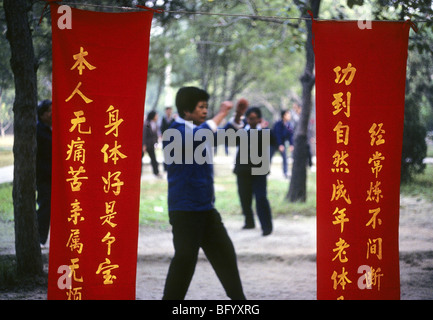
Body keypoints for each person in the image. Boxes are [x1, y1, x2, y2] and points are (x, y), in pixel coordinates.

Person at [162, 86, 246, 300]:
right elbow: (201, 135)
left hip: (206, 210)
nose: (205, 111)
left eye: (207, 107)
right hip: (184, 211)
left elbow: (226, 135)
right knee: (185, 261)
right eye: (201, 107)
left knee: (225, 255)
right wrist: (222, 113)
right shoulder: (175, 133)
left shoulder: (199, 129)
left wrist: (237, 116)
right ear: (186, 111)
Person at [228, 105, 273, 236]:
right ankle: (249, 221)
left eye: (253, 118)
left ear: (259, 119)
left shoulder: (265, 132)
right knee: (244, 198)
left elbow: (273, 145)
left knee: (261, 198)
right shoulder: (241, 131)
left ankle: (266, 226)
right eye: (248, 118)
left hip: (259, 171)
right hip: (243, 171)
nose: (250, 121)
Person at [36, 99, 52, 247]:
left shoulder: (52, 129)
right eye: (49, 111)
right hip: (44, 176)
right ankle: (40, 239)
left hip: (54, 176)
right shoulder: (38, 130)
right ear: (41, 114)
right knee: (45, 205)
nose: (52, 114)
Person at [271, 109, 294, 178]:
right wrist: (280, 144)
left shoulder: (289, 125)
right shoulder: (278, 124)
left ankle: (285, 172)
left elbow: (290, 135)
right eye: (288, 115)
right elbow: (277, 135)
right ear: (284, 116)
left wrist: (291, 144)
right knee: (269, 156)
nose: (289, 116)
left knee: (285, 157)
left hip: (282, 143)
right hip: (273, 142)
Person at [142, 110, 160, 177]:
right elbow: (144, 134)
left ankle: (156, 172)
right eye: (156, 115)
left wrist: (156, 143)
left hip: (151, 145)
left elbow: (155, 135)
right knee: (140, 159)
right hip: (146, 144)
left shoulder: (155, 124)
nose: (157, 117)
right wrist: (143, 145)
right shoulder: (147, 124)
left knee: (154, 159)